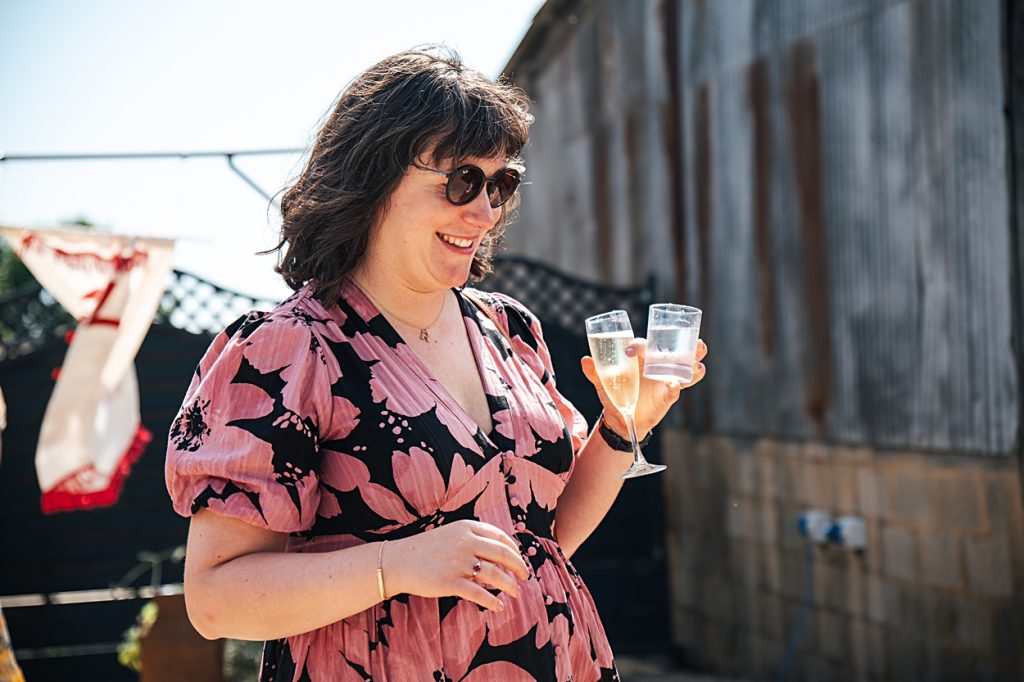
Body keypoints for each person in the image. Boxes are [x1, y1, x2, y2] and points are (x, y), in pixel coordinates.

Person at [165, 47, 707, 682]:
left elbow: (544, 538)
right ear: (373, 180)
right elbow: (215, 599)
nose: (486, 212)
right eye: (462, 182)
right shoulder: (286, 349)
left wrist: (621, 426)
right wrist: (397, 565)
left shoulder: (509, 329)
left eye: (501, 185)